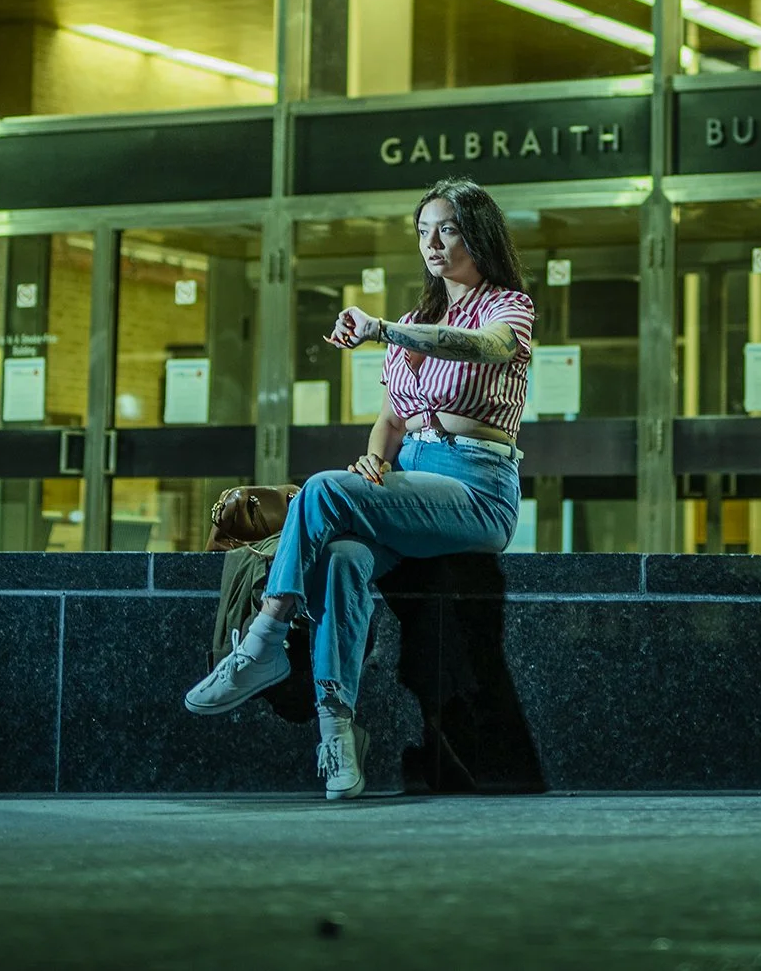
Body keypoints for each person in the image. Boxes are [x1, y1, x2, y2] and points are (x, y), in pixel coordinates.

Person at [183, 176, 532, 799]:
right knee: (343, 559)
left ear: (477, 233)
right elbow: (392, 418)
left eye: (447, 227)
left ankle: (262, 640)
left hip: (477, 489)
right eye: (423, 230)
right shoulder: (414, 317)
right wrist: (373, 462)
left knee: (319, 490)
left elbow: (484, 348)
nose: (432, 242)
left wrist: (382, 331)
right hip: (410, 479)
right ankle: (337, 733)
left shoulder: (508, 307)